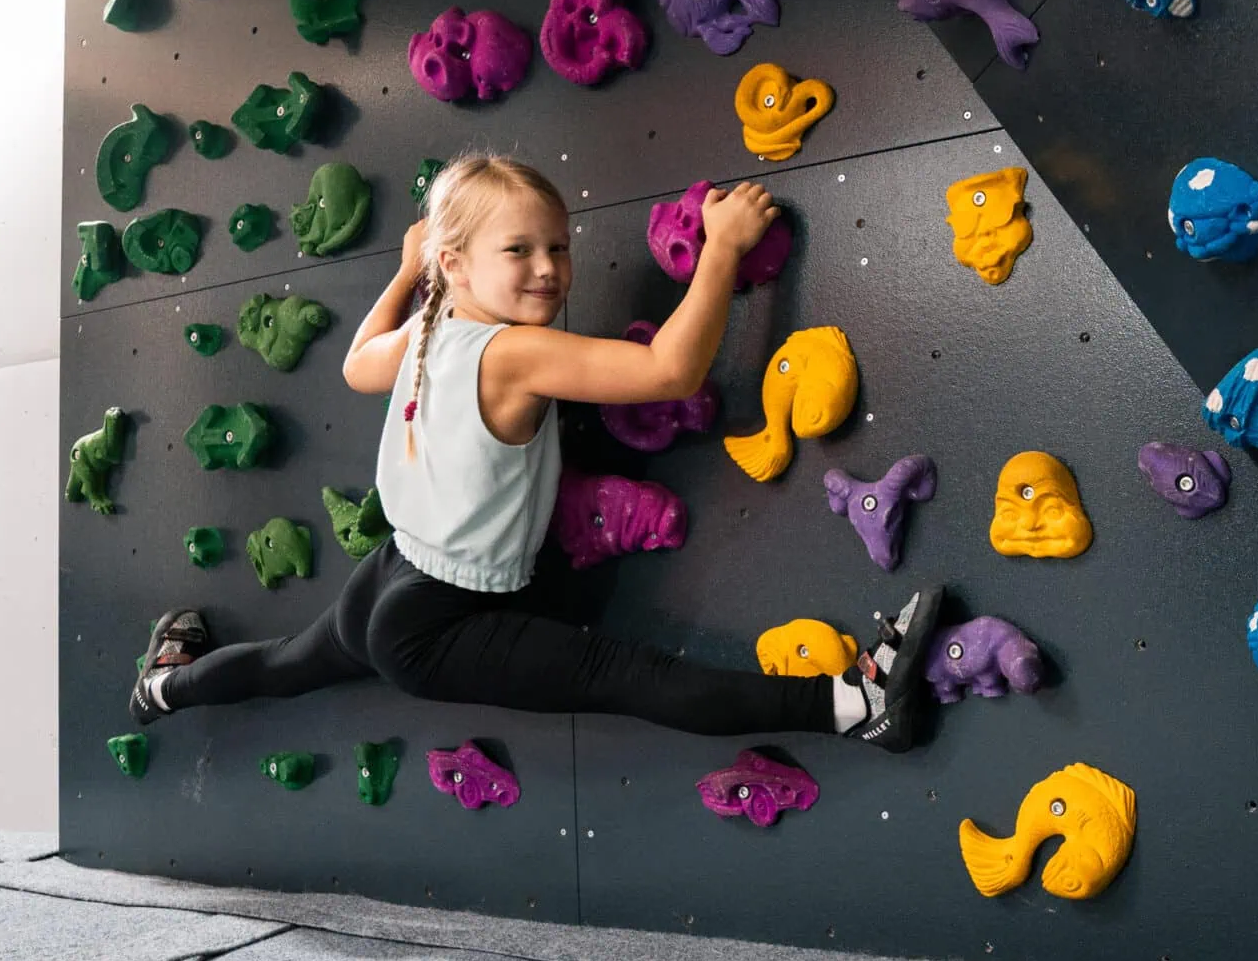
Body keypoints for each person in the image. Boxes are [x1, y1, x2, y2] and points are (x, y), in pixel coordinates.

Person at [126, 153, 938, 750]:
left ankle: (161, 687)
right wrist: (721, 248)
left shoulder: (429, 327)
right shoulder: (512, 352)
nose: (549, 270)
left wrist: (409, 273)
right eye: (519, 251)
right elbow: (670, 370)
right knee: (629, 676)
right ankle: (862, 707)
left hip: (392, 580)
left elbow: (355, 360)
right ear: (459, 262)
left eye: (558, 246)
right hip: (435, 621)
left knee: (280, 664)